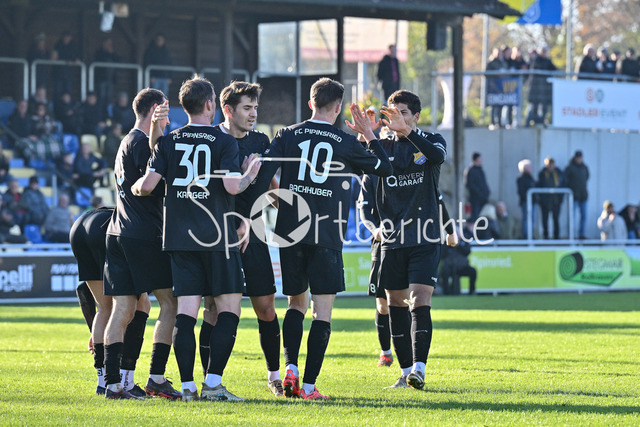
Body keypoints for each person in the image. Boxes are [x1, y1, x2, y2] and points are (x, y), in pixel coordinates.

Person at [253, 77, 392, 399]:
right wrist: (369, 135)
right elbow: (384, 168)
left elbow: (263, 176)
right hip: (326, 233)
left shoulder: (287, 134)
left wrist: (257, 213)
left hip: (290, 230)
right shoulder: (346, 142)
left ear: (310, 103)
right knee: (322, 311)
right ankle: (309, 387)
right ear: (338, 107)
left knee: (295, 304)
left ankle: (290, 368)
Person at [133, 76, 261, 402]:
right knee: (229, 308)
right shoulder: (224, 142)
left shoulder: (168, 141)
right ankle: (213, 384)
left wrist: (133, 186)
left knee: (186, 313)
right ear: (209, 105)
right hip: (216, 236)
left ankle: (188, 387)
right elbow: (232, 187)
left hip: (180, 238)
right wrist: (250, 174)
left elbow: (147, 186)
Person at [101, 88, 181, 400]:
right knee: (171, 303)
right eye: (166, 112)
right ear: (156, 110)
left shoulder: (125, 141)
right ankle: (156, 377)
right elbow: (153, 183)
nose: (169, 120)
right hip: (144, 234)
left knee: (123, 308)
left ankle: (112, 384)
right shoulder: (141, 143)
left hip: (117, 231)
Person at [369, 89, 446, 391]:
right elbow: (362, 165)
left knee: (420, 299)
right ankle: (404, 373)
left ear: (416, 116)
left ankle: (419, 369)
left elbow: (438, 157)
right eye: (393, 113)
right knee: (395, 303)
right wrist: (366, 135)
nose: (397, 118)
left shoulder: (432, 140)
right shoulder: (383, 146)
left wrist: (408, 133)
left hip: (425, 236)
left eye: (403, 113)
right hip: (392, 238)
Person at [215, 81, 283, 396]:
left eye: (255, 107)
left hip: (255, 231)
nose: (254, 113)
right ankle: (211, 380)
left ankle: (274, 376)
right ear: (228, 110)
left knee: (266, 308)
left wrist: (288, 210)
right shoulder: (213, 140)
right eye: (247, 108)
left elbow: (269, 183)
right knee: (215, 310)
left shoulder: (260, 140)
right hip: (220, 233)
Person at [69, 207, 153, 396]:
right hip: (108, 228)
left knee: (104, 308)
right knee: (142, 304)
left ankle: (102, 383)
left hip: (80, 225)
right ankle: (126, 381)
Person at [526, 46, 557, 126]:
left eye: (545, 51)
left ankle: (542, 121)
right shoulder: (536, 60)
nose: (544, 53)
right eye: (543, 51)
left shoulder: (547, 61)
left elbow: (554, 69)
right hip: (536, 89)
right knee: (534, 107)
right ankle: (532, 122)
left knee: (544, 107)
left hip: (544, 90)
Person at [564, 150, 589, 239]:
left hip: (583, 196)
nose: (579, 159)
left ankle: (581, 234)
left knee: (584, 216)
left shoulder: (584, 168)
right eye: (578, 158)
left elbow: (587, 178)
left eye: (580, 158)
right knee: (572, 217)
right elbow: (565, 180)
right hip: (573, 197)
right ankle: (571, 235)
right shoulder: (570, 168)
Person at [537, 157, 564, 240]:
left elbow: (563, 184)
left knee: (556, 219)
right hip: (545, 201)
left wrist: (560, 199)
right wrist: (541, 199)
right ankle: (546, 236)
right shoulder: (542, 174)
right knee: (545, 220)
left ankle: (556, 237)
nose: (551, 166)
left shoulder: (558, 173)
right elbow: (539, 185)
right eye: (549, 165)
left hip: (556, 201)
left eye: (552, 164)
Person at [94, 37, 120, 111]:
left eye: (110, 44)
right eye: (108, 43)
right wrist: (108, 53)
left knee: (109, 97)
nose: (109, 45)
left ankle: (108, 113)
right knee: (101, 97)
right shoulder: (99, 52)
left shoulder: (113, 53)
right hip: (101, 79)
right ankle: (101, 112)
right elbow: (99, 59)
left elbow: (118, 61)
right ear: (104, 43)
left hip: (110, 80)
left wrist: (112, 53)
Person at [52, 31, 80, 100]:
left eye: (68, 37)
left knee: (68, 91)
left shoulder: (73, 46)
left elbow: (77, 58)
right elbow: (54, 58)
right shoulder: (58, 45)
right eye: (65, 37)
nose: (66, 38)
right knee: (58, 91)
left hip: (68, 74)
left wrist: (73, 60)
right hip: (58, 73)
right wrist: (66, 60)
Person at [464, 152, 490, 221]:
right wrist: (479, 193)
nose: (481, 160)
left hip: (483, 198)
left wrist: (487, 193)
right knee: (474, 217)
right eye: (480, 159)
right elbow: (470, 184)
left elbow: (484, 183)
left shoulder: (480, 170)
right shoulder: (471, 170)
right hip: (475, 199)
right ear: (476, 159)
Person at [486, 47, 507, 128]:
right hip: (493, 87)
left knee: (500, 105)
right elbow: (487, 74)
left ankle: (500, 122)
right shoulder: (491, 63)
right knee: (493, 105)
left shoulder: (503, 63)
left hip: (501, 87)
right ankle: (492, 122)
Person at [517, 159, 537, 239]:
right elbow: (521, 191)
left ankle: (531, 235)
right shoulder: (521, 178)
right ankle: (526, 235)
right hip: (526, 202)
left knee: (533, 219)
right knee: (526, 219)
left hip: (533, 202)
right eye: (529, 167)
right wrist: (527, 198)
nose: (531, 168)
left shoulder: (531, 178)